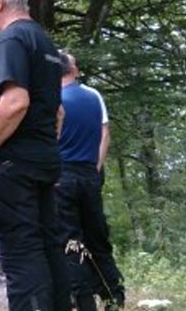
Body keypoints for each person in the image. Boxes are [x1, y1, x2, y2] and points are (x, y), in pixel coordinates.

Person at [0, 0, 69, 311]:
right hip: (41, 158)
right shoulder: (44, 41)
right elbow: (57, 111)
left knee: (21, 249)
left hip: (11, 163)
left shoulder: (11, 39)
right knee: (48, 244)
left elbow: (15, 101)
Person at [57, 53, 125, 310]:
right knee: (97, 237)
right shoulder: (93, 95)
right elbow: (105, 133)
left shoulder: (53, 100)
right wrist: (95, 167)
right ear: (73, 69)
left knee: (70, 240)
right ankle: (114, 296)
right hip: (89, 172)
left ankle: (82, 299)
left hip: (62, 175)